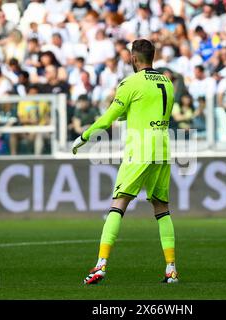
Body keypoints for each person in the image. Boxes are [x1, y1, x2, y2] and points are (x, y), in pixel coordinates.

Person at [72, 39, 177, 285]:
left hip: (139, 149)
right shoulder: (167, 82)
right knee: (162, 208)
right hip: (163, 148)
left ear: (133, 58)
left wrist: (84, 136)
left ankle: (100, 266)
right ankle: (171, 269)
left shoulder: (130, 83)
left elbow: (108, 118)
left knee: (118, 203)